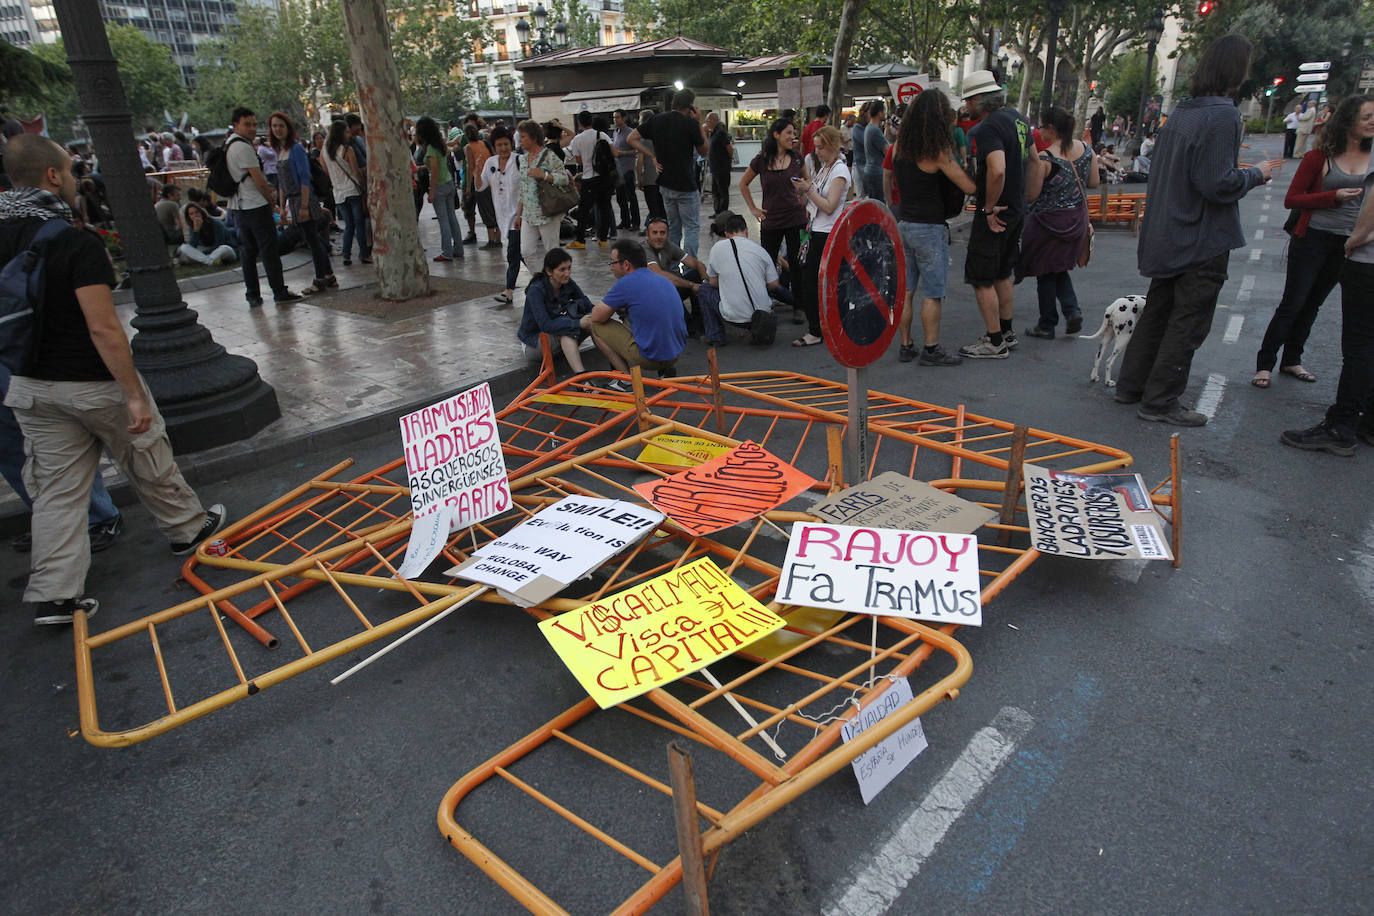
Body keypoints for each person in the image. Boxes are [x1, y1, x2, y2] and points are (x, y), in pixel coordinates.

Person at [0, 134, 228, 625]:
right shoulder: (73, 241)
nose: (78, 176)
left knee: (57, 492)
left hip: (30, 386)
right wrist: (132, 393)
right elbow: (103, 327)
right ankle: (187, 529)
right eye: (70, 167)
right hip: (91, 380)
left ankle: (55, 594)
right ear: (53, 176)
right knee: (145, 451)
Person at [1116, 33, 1278, 426]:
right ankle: (1160, 401)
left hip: (1169, 232)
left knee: (1159, 312)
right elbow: (1216, 184)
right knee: (1187, 321)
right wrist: (1256, 174)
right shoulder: (1223, 115)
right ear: (1238, 71)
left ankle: (1132, 386)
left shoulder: (1184, 112)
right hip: (1199, 237)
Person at [1254, 95, 1374, 389]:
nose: (1372, 122)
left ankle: (1292, 359)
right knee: (1293, 302)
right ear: (1348, 121)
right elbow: (1292, 199)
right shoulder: (1319, 157)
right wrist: (1332, 197)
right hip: (1313, 238)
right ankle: (1265, 364)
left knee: (1314, 304)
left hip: (1350, 244)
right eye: (1366, 117)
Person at [1280, 144, 1374, 454]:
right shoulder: (1321, 155)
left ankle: (1341, 425)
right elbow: (1293, 197)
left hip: (1365, 258)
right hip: (1326, 241)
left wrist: (1359, 236)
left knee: (1359, 345)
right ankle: (1366, 421)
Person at [890, 91, 975, 366]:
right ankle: (931, 348)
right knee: (933, 291)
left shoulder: (899, 148)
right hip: (929, 226)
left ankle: (906, 345)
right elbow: (968, 186)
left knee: (907, 290)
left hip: (904, 223)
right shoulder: (935, 152)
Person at [958, 70, 1034, 359]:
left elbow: (997, 168)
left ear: (979, 99)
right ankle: (1006, 332)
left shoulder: (988, 127)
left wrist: (987, 208)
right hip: (1016, 208)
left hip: (996, 211)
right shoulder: (1020, 119)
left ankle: (994, 341)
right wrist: (1025, 199)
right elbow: (1036, 162)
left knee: (982, 278)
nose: (966, 106)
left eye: (968, 100)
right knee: (1003, 273)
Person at [1018, 106, 1098, 340]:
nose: (1039, 131)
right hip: (1076, 220)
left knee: (1045, 271)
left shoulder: (1045, 158)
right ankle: (1072, 311)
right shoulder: (1086, 150)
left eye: (1041, 127)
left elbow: (1031, 195)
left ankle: (1047, 323)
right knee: (1058, 267)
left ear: (1051, 129)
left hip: (1048, 222)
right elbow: (1093, 182)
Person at [581, 239, 687, 383]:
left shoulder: (626, 283)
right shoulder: (662, 279)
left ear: (626, 264)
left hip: (651, 359)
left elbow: (596, 317)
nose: (611, 267)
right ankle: (666, 371)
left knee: (595, 326)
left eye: (612, 262)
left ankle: (625, 380)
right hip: (676, 353)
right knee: (632, 316)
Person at [226, 107, 301, 307]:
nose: (252, 128)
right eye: (247, 124)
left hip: (239, 207)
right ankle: (279, 291)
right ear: (236, 125)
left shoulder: (229, 145)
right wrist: (271, 202)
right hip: (254, 206)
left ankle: (253, 294)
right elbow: (259, 180)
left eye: (253, 124)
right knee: (268, 251)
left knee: (248, 253)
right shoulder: (243, 147)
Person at [787, 126, 852, 349]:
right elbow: (811, 203)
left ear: (833, 146)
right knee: (813, 282)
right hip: (815, 229)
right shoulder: (825, 168)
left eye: (821, 147)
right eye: (816, 148)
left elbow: (830, 206)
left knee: (815, 282)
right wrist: (802, 191)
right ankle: (820, 326)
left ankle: (817, 329)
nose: (818, 152)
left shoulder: (839, 171)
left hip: (828, 232)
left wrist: (809, 190)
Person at [629, 89, 709, 257]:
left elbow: (632, 138)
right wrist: (700, 123)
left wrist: (651, 155)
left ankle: (672, 262)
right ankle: (689, 266)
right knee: (692, 227)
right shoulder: (690, 123)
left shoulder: (657, 120)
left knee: (673, 227)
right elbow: (704, 151)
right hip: (686, 184)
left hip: (665, 183)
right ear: (690, 106)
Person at [738, 117, 806, 301]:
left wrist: (804, 198)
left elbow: (807, 183)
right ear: (776, 134)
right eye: (789, 133)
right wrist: (753, 208)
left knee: (798, 262)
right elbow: (743, 183)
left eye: (794, 133)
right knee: (767, 261)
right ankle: (765, 301)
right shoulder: (761, 160)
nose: (793, 137)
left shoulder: (797, 159)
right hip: (772, 220)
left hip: (796, 219)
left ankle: (799, 306)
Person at [268, 112, 334, 293]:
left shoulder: (296, 149)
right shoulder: (280, 151)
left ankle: (320, 279)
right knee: (313, 238)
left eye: (281, 126)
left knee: (312, 240)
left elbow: (305, 178)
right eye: (274, 126)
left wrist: (304, 206)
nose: (277, 129)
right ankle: (328, 275)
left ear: (288, 128)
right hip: (293, 201)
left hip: (304, 200)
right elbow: (281, 182)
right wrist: (282, 207)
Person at [702, 211, 782, 344]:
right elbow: (774, 284)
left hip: (735, 318)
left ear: (726, 234)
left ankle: (715, 336)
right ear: (747, 231)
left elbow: (713, 283)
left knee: (704, 289)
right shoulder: (759, 250)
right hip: (763, 315)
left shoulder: (717, 248)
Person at [517, 247, 594, 371]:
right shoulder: (536, 289)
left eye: (569, 268)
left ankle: (619, 373)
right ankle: (582, 382)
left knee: (595, 323)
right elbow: (545, 325)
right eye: (562, 270)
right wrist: (578, 322)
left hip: (558, 334)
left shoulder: (567, 282)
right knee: (567, 332)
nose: (567, 273)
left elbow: (588, 305)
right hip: (534, 342)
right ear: (549, 271)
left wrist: (594, 316)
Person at [515, 119, 572, 271]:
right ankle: (541, 279)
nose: (520, 140)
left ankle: (556, 282)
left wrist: (544, 175)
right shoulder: (523, 159)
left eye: (523, 137)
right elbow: (523, 188)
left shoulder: (549, 156)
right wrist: (518, 214)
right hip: (529, 214)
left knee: (552, 252)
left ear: (534, 137)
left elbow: (564, 179)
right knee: (526, 252)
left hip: (548, 211)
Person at [477, 125, 522, 304]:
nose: (503, 148)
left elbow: (527, 189)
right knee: (523, 254)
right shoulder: (491, 163)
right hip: (502, 216)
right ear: (494, 147)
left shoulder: (520, 160)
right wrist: (475, 171)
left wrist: (520, 214)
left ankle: (508, 290)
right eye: (499, 145)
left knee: (513, 253)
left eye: (506, 144)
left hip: (520, 216)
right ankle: (544, 281)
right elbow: (480, 186)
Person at [414, 116, 463, 263]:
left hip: (439, 186)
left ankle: (446, 251)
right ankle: (458, 248)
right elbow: (441, 162)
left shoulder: (430, 148)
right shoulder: (440, 145)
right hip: (449, 183)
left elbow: (434, 171)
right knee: (452, 218)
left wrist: (431, 191)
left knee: (443, 221)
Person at [324, 119, 372, 267]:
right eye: (345, 131)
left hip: (338, 193)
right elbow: (356, 171)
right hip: (352, 190)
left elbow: (324, 168)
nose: (348, 134)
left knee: (349, 225)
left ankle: (346, 255)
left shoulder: (325, 151)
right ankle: (364, 253)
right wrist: (363, 187)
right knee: (359, 224)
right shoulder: (346, 150)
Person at [566, 111, 614, 249]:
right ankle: (603, 238)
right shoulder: (602, 135)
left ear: (580, 123)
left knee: (583, 210)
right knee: (605, 208)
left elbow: (579, 160)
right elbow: (613, 152)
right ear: (591, 121)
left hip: (588, 178)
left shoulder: (577, 139)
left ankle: (580, 240)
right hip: (604, 177)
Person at [611, 109, 641, 231]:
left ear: (624, 118)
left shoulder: (631, 133)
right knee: (620, 198)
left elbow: (637, 151)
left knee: (631, 197)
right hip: (618, 170)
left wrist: (622, 153)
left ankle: (635, 222)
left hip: (627, 169)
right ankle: (625, 220)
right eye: (614, 117)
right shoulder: (615, 132)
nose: (615, 120)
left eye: (617, 117)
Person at [636, 108, 665, 222]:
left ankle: (654, 230)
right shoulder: (662, 136)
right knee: (662, 207)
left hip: (649, 178)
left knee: (653, 209)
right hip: (662, 177)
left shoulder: (642, 140)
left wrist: (639, 179)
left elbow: (640, 162)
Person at [706, 111, 734, 215]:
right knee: (715, 191)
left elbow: (729, 148)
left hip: (722, 167)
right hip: (715, 168)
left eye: (708, 120)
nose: (707, 122)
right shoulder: (712, 132)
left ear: (714, 120)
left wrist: (728, 161)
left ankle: (723, 212)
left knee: (722, 191)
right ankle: (717, 211)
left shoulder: (720, 132)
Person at [863, 99, 890, 205]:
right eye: (884, 111)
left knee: (874, 203)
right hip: (877, 172)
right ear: (880, 113)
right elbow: (887, 150)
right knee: (879, 205)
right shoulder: (874, 130)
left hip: (870, 170)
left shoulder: (869, 128)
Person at [851, 101, 870, 197]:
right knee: (863, 196)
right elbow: (867, 143)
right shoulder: (858, 127)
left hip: (866, 164)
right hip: (860, 164)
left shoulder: (867, 127)